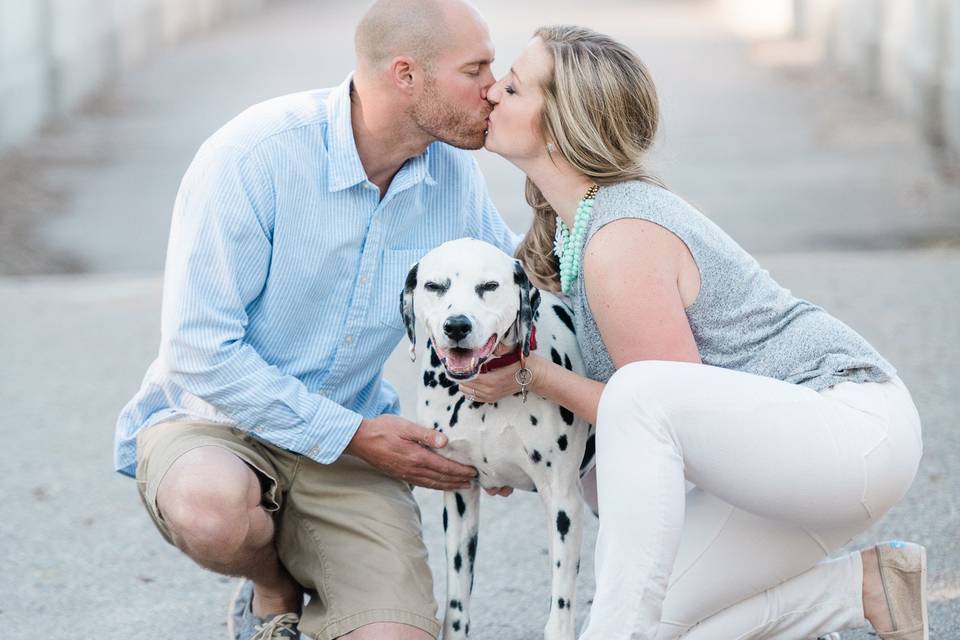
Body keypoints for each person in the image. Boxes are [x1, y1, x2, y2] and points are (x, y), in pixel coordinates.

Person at [458, 25, 927, 640]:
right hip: (778, 464)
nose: (492, 93)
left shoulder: (620, 236)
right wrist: (511, 452)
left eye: (514, 87)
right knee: (658, 625)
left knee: (630, 600)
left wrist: (531, 376)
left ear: (564, 123)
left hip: (846, 434)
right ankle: (860, 591)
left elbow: (656, 413)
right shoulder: (575, 227)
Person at [113, 1, 520, 639]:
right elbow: (200, 351)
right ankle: (272, 590)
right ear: (405, 75)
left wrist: (499, 436)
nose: (495, 87)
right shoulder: (253, 156)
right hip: (219, 424)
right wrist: (356, 436)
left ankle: (328, 570)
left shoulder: (453, 176)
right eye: (478, 69)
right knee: (212, 510)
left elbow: (516, 291)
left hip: (350, 440)